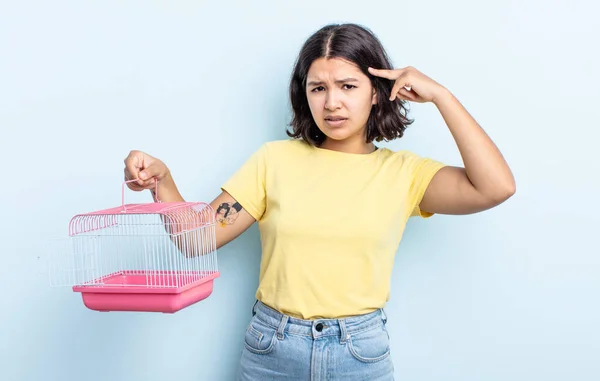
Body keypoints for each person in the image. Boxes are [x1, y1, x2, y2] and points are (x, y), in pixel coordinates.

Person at [123, 23, 515, 381]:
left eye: (347, 86)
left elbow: (496, 187)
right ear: (304, 93)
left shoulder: (405, 174)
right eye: (318, 88)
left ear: (377, 93)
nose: (331, 103)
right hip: (272, 348)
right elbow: (195, 239)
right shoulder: (273, 161)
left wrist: (442, 96)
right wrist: (164, 181)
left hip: (359, 352)